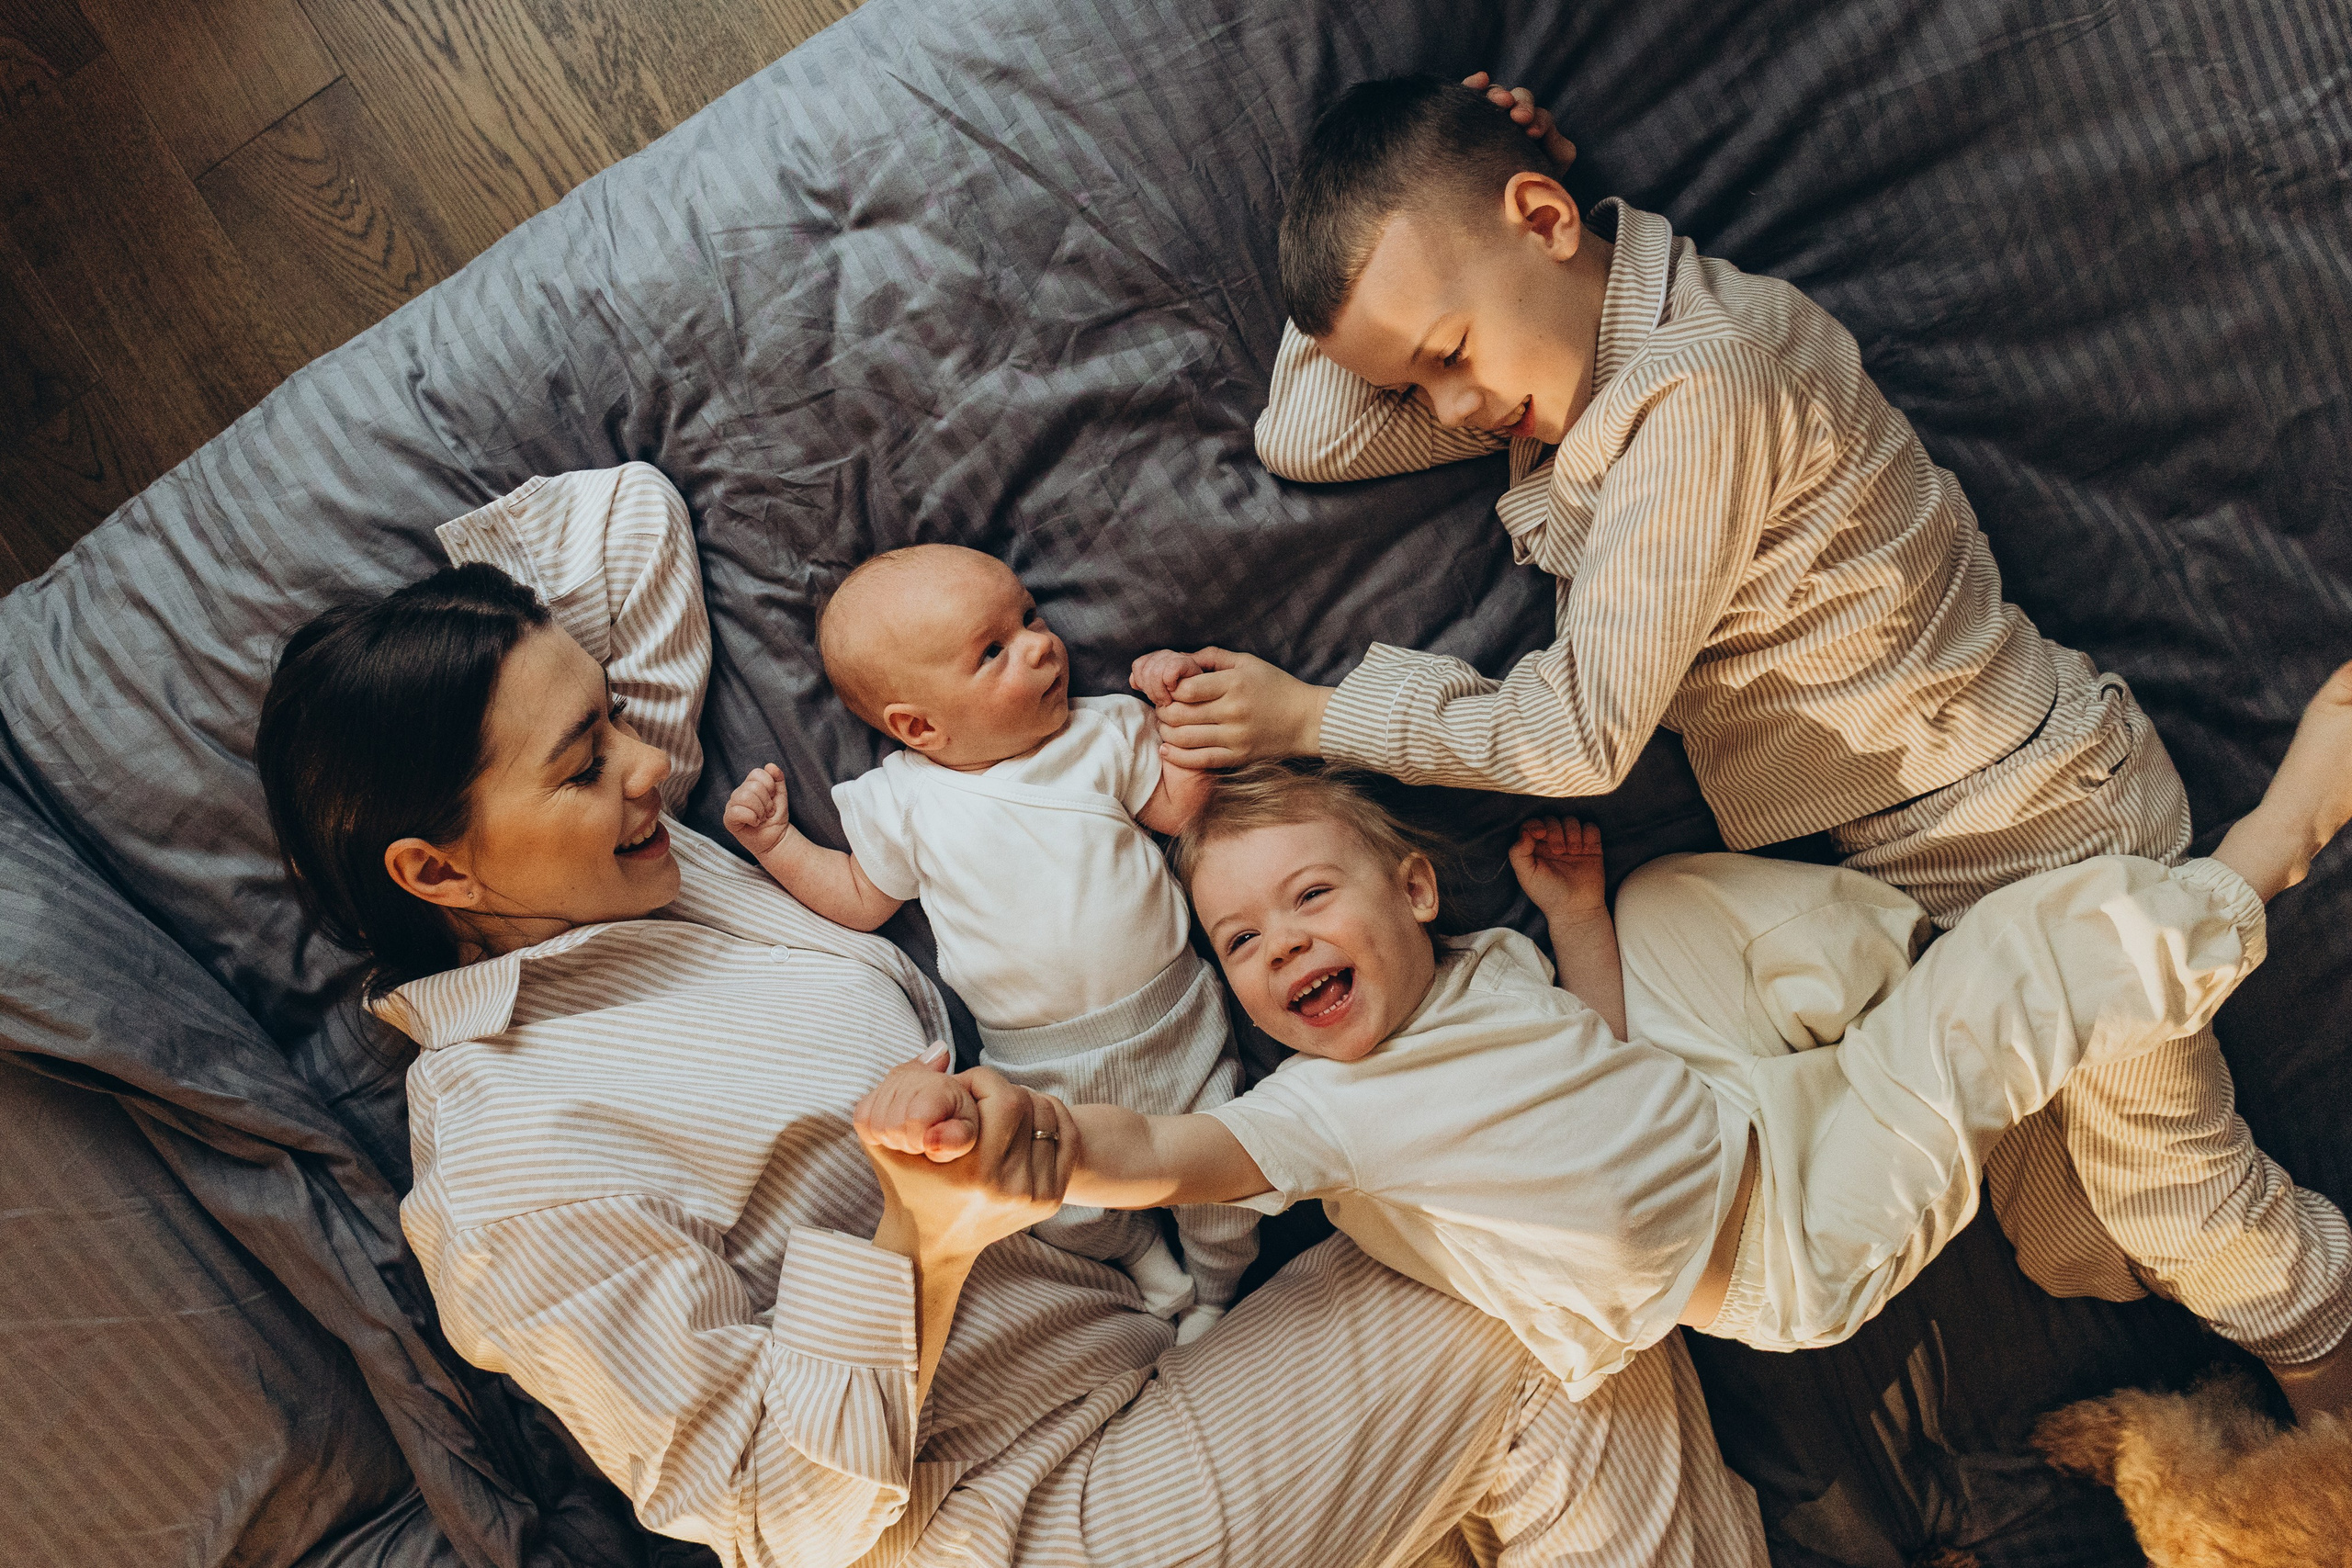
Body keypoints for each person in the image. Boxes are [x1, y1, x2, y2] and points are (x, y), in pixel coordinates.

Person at [250, 463, 1768, 1568]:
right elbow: (773, 1508)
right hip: (1016, 1523)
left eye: (616, 721)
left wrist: (471, 613)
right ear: (435, 868)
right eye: (586, 761)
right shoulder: (512, 1167)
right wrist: (920, 1241)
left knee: (1536, 1396)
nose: (652, 764)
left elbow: (617, 523)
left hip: (1153, 1376)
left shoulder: (643, 868)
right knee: (1538, 1269)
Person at [1128, 72, 2352, 1414]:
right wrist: (1371, 258)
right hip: (1913, 862)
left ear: (1545, 216)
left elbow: (1582, 731)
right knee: (2070, 1247)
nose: (1459, 408)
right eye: (1423, 377)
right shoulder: (1551, 357)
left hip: (2036, 810)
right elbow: (1301, 432)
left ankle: (2328, 1373)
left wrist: (1319, 716)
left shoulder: (1702, 390)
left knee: (2178, 1195)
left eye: (1453, 354)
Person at [865, 684, 2352, 1409]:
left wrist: (1575, 915)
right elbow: (1160, 1149)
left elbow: (1595, 1057)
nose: (1280, 948)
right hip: (1786, 1237)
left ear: (1417, 891)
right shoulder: (1324, 1111)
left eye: (1307, 898)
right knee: (2034, 955)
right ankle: (2258, 861)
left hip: (1742, 1098)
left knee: (1664, 896)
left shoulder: (1491, 970)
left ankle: (1994, 1093)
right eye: (1242, 943)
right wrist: (1030, 1132)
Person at [719, 543, 1251, 1342]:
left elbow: (1178, 808)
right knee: (1058, 1200)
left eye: (1030, 617)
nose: (1041, 644)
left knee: (1222, 1174)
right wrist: (778, 845)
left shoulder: (1099, 733)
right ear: (919, 725)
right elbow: (864, 897)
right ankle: (1144, 1257)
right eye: (993, 651)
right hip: (1036, 1062)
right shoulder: (905, 800)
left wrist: (1179, 717)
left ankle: (1220, 1287)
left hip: (1174, 1023)